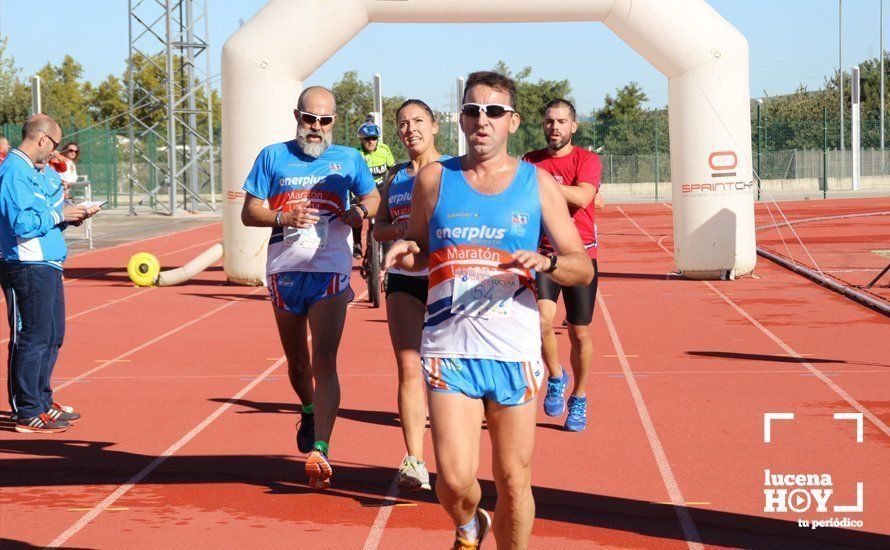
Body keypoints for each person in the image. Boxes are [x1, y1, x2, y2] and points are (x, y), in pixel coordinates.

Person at [386, 72, 593, 549]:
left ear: (513, 122)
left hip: (513, 351)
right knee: (454, 482)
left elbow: (581, 266)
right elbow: (420, 246)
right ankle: (468, 525)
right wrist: (406, 252)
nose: (482, 120)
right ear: (460, 119)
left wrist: (550, 263)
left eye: (494, 111)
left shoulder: (536, 183)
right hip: (448, 345)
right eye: (472, 110)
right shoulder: (435, 178)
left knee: (514, 482)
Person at [240, 86, 380, 490]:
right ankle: (307, 408)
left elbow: (372, 198)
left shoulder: (350, 159)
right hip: (284, 271)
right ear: (297, 116)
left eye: (325, 120)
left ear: (335, 122)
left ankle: (322, 445)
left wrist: (357, 212)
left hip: (331, 271)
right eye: (309, 119)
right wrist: (282, 214)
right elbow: (250, 212)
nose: (316, 128)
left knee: (325, 361)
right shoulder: (272, 156)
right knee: (297, 364)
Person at [0, 114, 98, 433]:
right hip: (26, 263)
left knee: (52, 337)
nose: (54, 153)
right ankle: (27, 409)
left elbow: (43, 212)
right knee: (32, 338)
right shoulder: (14, 170)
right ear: (43, 139)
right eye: (54, 145)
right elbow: (22, 223)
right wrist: (59, 214)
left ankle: (41, 401)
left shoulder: (32, 172)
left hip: (47, 262)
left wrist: (70, 216)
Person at [372, 99, 449, 492]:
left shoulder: (454, 172)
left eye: (418, 121)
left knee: (446, 372)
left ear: (434, 126)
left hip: (445, 280)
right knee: (407, 366)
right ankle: (415, 460)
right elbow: (378, 226)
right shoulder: (396, 177)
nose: (410, 129)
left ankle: (453, 458)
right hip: (404, 279)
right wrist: (399, 230)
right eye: (402, 124)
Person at [522, 99, 603, 432]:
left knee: (580, 333)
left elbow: (583, 197)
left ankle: (579, 397)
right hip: (543, 254)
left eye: (561, 121)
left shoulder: (587, 159)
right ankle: (556, 375)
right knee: (541, 321)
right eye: (549, 121)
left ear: (573, 126)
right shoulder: (530, 160)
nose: (554, 126)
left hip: (581, 256)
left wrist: (542, 186)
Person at [353, 118, 394, 258]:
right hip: (363, 191)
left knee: (389, 217)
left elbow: (393, 169)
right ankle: (357, 243)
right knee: (356, 212)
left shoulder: (384, 150)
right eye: (367, 139)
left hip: (381, 188)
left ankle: (389, 252)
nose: (371, 141)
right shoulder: (356, 154)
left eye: (374, 138)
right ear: (361, 140)